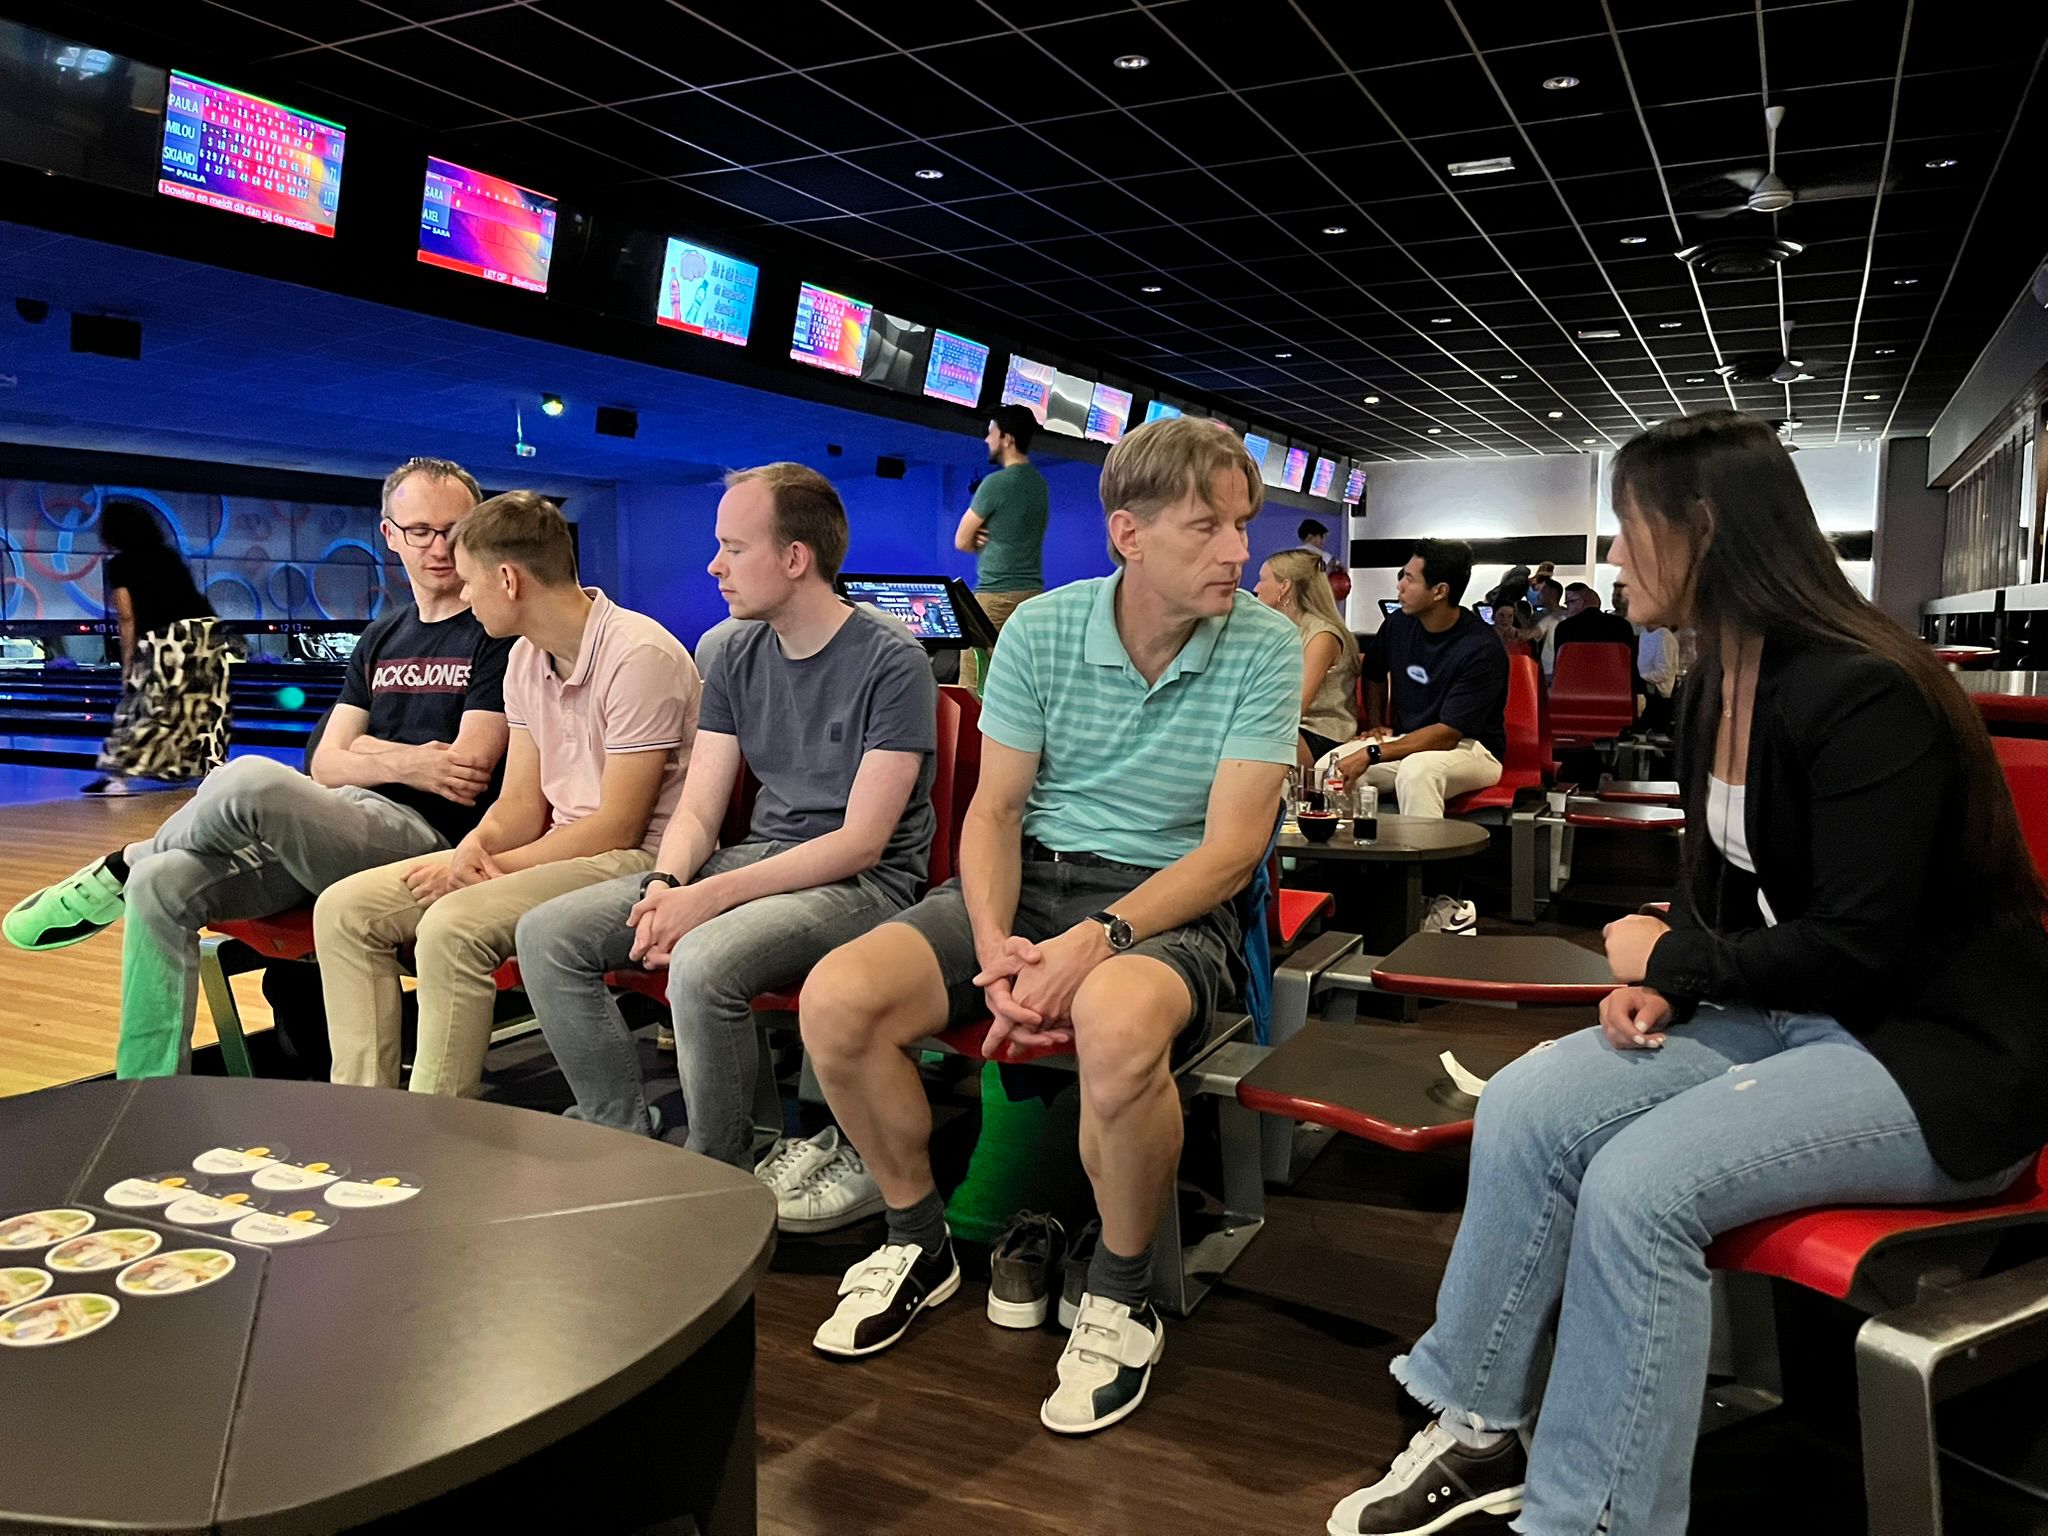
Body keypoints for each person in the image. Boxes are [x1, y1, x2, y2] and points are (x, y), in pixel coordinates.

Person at [1328, 410, 2048, 1536]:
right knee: (1527, 1103)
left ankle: (1591, 1517)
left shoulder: (1865, 689)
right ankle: (1475, 1424)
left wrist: (1674, 955)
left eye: (1625, 531)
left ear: (1703, 530)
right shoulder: (1717, 680)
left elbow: (1863, 942)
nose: (1610, 558)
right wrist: (1677, 974)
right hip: (1797, 1008)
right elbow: (1722, 883)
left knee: (1637, 1187)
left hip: (1930, 1050)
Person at [798, 416, 1297, 1433]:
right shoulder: (1040, 629)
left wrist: (1097, 939)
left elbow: (1229, 854)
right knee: (836, 999)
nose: (1236, 552)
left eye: (1239, 527)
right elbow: (992, 813)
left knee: (1115, 1023)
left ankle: (1119, 1294)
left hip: (1165, 903)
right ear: (1128, 534)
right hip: (1024, 891)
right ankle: (915, 1240)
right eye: (1207, 528)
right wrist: (992, 954)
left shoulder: (1264, 642)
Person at [516, 463, 937, 1234]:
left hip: (866, 886)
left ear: (795, 559)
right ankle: (621, 1129)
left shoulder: (892, 660)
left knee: (704, 959)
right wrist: (668, 881)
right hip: (758, 862)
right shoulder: (729, 648)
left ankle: (716, 1171)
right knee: (548, 934)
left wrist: (706, 898)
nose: (713, 565)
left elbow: (861, 841)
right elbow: (703, 805)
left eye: (732, 548)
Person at [3, 458, 510, 1079]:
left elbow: (465, 767)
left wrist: (365, 757)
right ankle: (149, 1088)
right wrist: (404, 759)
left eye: (455, 530)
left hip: (427, 846)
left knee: (250, 778)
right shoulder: (382, 636)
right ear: (389, 534)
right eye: (421, 531)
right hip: (336, 830)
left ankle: (121, 861)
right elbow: (325, 763)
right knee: (162, 883)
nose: (439, 548)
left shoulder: (495, 631)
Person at [317, 491, 699, 1097]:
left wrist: (488, 873)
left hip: (637, 861)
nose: (464, 596)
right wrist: (474, 849)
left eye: (469, 581)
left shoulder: (639, 654)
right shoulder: (525, 659)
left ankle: (437, 1124)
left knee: (450, 927)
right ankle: (366, 1110)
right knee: (343, 910)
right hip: (561, 849)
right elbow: (521, 804)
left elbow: (619, 827)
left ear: (507, 579)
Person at [1334, 540, 1507, 820]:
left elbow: (1448, 733)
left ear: (1439, 591)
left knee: (1418, 772)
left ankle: (1420, 862)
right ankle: (1357, 860)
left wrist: (1374, 752)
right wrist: (1377, 723)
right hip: (1408, 742)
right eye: (1402, 576)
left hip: (1472, 749)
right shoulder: (1398, 624)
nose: (1400, 586)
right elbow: (1374, 671)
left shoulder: (1480, 647)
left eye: (1410, 579)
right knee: (1330, 768)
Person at [84, 499, 230, 795]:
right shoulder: (169, 557)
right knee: (202, 706)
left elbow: (127, 617)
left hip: (165, 638)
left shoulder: (121, 564)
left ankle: (118, 778)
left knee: (140, 706)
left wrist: (127, 664)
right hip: (204, 634)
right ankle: (215, 772)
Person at [954, 403, 1050, 691]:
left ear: (1007, 438)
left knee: (973, 680)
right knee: (1012, 679)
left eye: (991, 432)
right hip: (1031, 595)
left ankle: (970, 736)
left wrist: (977, 540)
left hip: (996, 596)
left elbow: (961, 541)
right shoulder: (1039, 484)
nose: (987, 439)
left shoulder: (996, 484)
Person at [1253, 547, 1359, 764]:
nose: (1255, 588)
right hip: (1289, 729)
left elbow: (1296, 705)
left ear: (1284, 586)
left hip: (1321, 733)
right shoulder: (1282, 629)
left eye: (1262, 580)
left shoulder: (1322, 635)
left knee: (1244, 753)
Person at [1616, 578, 1679, 729]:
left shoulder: (1663, 635)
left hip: (1658, 697)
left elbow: (1664, 671)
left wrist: (1638, 678)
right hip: (1645, 692)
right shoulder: (1644, 633)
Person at [1549, 581, 1638, 664]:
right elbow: (1630, 666)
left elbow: (1560, 667)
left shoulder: (1564, 628)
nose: (1567, 607)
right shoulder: (1622, 626)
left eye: (1568, 602)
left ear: (1580, 602)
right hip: (1614, 679)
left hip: (1576, 679)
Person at [1298, 517, 1352, 605]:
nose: (1323, 542)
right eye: (1321, 537)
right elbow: (1338, 565)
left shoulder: (1293, 554)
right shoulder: (1318, 553)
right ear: (1310, 537)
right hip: (1315, 597)